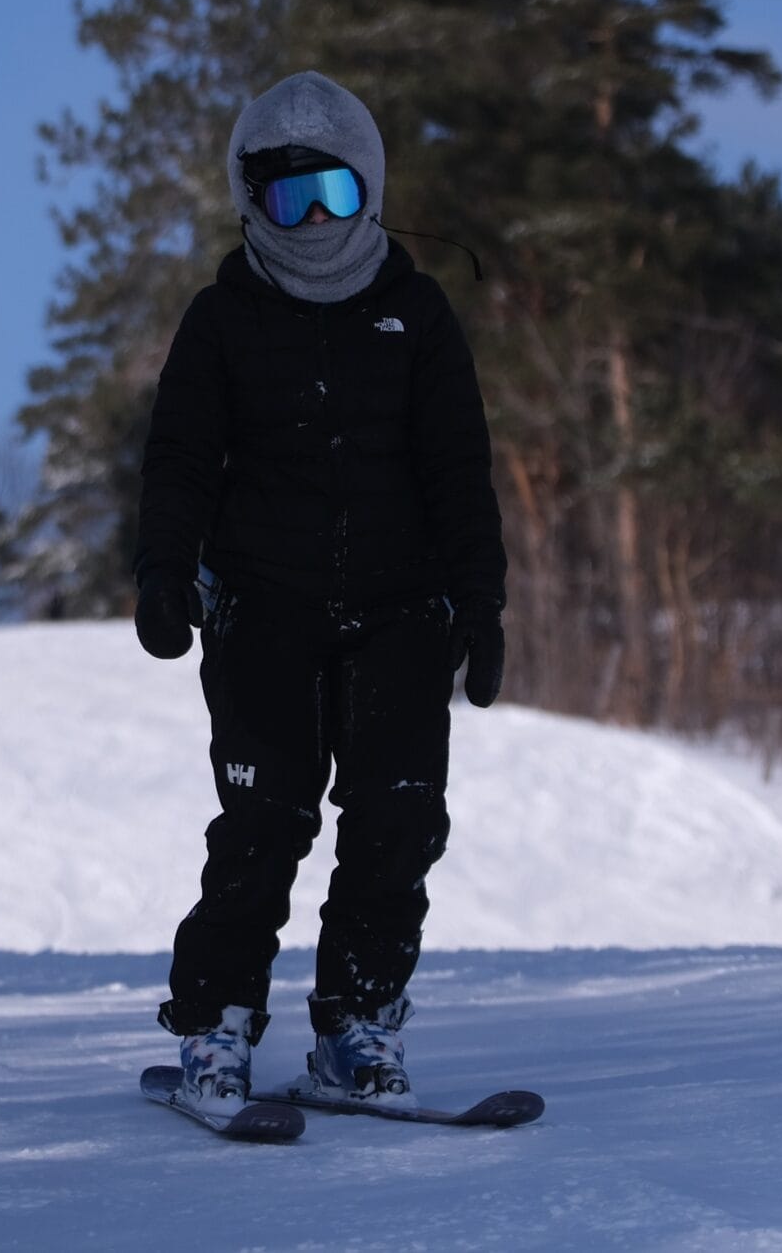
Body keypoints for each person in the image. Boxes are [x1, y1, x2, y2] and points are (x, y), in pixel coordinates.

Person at [132, 70, 506, 1115]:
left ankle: (355, 1029)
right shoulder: (221, 322)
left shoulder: (417, 317)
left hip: (400, 613)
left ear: (372, 190)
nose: (308, 224)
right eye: (285, 200)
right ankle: (214, 1029)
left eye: (330, 197)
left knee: (397, 822)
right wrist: (164, 575)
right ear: (250, 201)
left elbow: (457, 473)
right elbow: (179, 464)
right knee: (263, 823)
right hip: (264, 610)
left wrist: (482, 606)